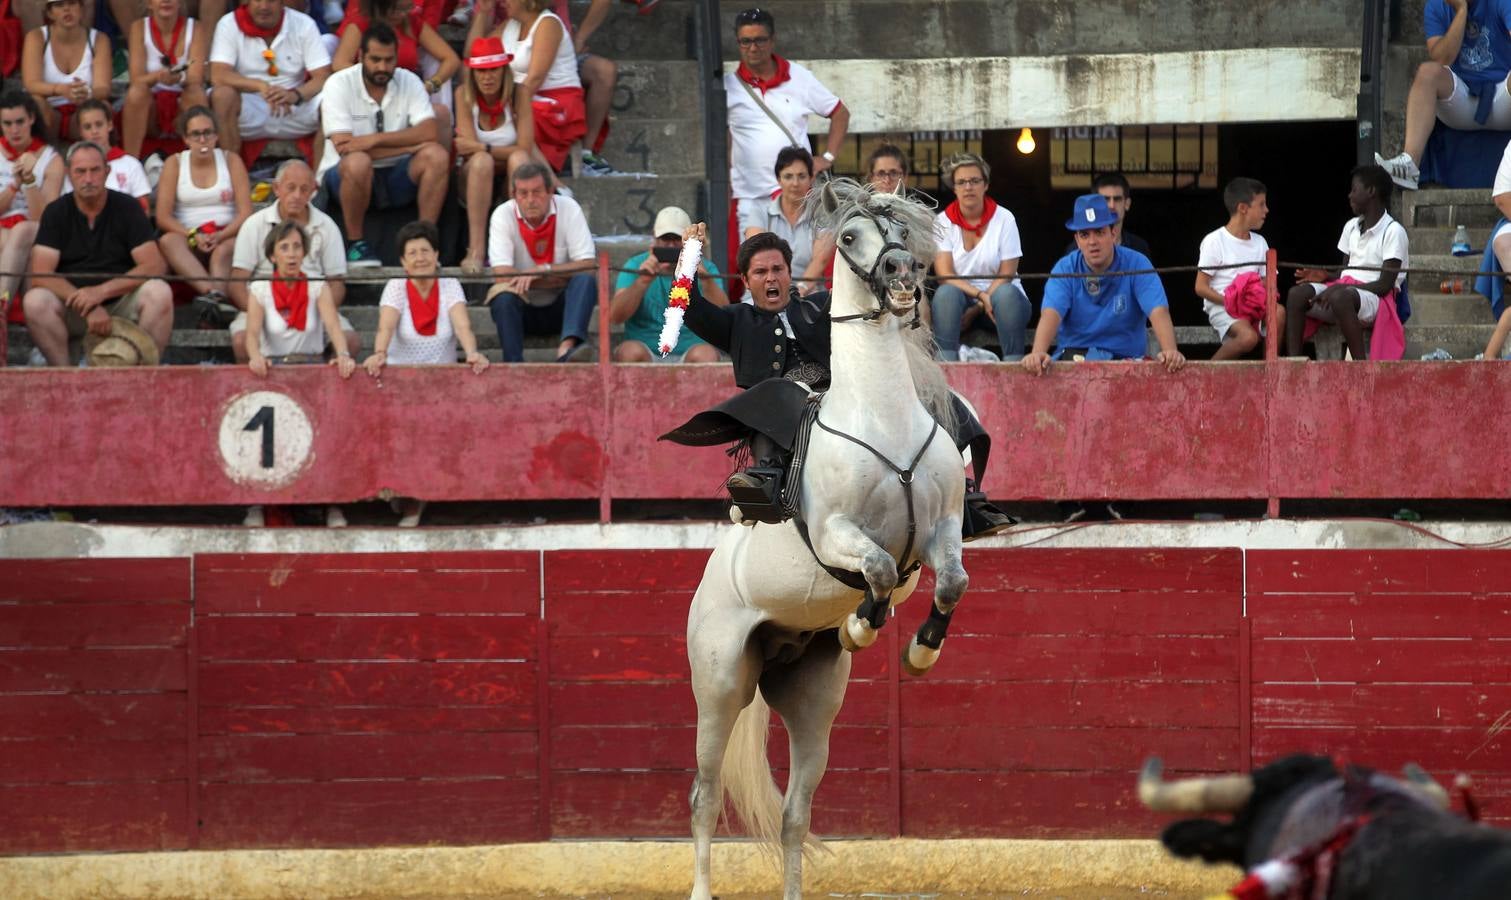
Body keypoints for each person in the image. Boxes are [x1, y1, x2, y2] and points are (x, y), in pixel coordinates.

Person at [679, 228, 1013, 540]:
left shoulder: (820, 304)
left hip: (846, 393)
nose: (771, 278)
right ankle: (766, 481)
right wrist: (690, 255)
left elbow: (865, 294)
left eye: (777, 269)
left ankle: (965, 498)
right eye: (761, 272)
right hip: (783, 414)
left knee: (927, 392)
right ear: (745, 281)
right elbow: (689, 309)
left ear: (788, 273)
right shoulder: (735, 321)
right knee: (771, 393)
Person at [362, 220, 489, 527]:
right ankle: (403, 492)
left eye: (425, 251)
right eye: (412, 253)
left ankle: (415, 503)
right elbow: (386, 327)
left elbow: (462, 326)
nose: (419, 258)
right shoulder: (395, 287)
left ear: (437, 255)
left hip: (440, 385)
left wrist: (471, 352)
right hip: (399, 384)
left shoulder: (450, 286)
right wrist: (379, 353)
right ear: (403, 262)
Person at [725, 6, 848, 289]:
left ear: (772, 40)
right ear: (738, 43)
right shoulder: (728, 86)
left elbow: (840, 112)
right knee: (754, 273)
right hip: (751, 195)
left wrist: (827, 157)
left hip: (799, 195)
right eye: (746, 41)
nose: (753, 47)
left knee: (806, 268)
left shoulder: (799, 77)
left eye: (759, 40)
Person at [243, 219, 355, 529]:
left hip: (311, 370)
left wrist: (342, 354)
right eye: (284, 248)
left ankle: (332, 504)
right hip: (274, 372)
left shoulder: (317, 285)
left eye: (297, 247)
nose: (292, 254)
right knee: (267, 445)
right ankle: (257, 502)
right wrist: (255, 357)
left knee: (325, 439)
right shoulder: (261, 288)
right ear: (272, 256)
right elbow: (251, 333)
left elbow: (333, 325)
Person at [21, 141, 173, 366]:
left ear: (107, 171)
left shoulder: (127, 207)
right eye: (80, 172)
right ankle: (63, 375)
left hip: (121, 301)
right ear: (68, 174)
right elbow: (42, 273)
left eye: (95, 170)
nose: (88, 179)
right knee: (35, 301)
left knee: (159, 292)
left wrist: (100, 292)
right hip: (73, 306)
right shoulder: (56, 212)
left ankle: (146, 371)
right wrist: (89, 305)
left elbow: (153, 265)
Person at [318, 22, 449, 268]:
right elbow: (345, 148)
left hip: (397, 174)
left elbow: (430, 132)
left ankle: (424, 240)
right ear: (360, 56)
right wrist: (409, 145)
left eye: (389, 60)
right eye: (375, 59)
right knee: (358, 162)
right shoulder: (338, 84)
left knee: (436, 155)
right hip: (345, 176)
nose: (382, 67)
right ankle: (356, 244)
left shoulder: (409, 80)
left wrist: (373, 140)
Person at [1023, 193, 1185, 373]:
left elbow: (1158, 310)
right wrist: (1037, 353)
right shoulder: (1064, 268)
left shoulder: (1138, 263)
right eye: (1084, 235)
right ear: (1077, 240)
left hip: (1128, 363)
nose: (1092, 242)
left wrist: (1170, 351)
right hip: (1074, 362)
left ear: (1113, 233)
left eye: (1099, 232)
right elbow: (1051, 314)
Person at [1376, 0, 1511, 191]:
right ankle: (1410, 164)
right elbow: (1443, 59)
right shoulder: (1436, 6)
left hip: (1503, 96)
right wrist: (1461, 11)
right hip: (1462, 98)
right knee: (1428, 72)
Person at [228, 159, 351, 362]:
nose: (297, 196)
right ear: (276, 189)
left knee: (350, 341)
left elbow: (336, 282)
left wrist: (319, 310)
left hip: (315, 300)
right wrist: (264, 311)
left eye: (304, 190)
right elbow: (238, 282)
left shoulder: (327, 226)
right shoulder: (254, 224)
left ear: (313, 191)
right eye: (290, 188)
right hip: (263, 300)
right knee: (242, 342)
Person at [1285, 165, 1408, 361]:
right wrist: (1327, 276)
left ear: (1371, 191)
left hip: (1376, 298)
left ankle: (1359, 367)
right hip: (1346, 292)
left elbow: (1385, 285)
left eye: (1354, 189)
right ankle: (1294, 364)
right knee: (1296, 294)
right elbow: (1345, 272)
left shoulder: (1393, 231)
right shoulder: (1351, 226)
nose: (1350, 195)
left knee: (1341, 297)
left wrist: (1340, 288)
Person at [485, 160, 597, 362]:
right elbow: (501, 275)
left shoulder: (569, 208)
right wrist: (557, 277)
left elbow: (589, 265)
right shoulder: (502, 215)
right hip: (522, 308)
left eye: (537, 192)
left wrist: (543, 270)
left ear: (551, 191)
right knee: (503, 298)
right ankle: (513, 365)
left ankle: (567, 351)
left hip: (561, 311)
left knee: (584, 282)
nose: (530, 200)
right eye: (523, 193)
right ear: (514, 196)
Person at [930, 151, 1032, 362]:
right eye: (962, 182)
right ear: (954, 187)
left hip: (1000, 304)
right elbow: (945, 275)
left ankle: (1014, 368)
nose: (968, 187)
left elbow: (1007, 273)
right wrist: (980, 296)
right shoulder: (942, 222)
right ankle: (946, 372)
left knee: (1005, 294)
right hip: (961, 301)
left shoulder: (1004, 218)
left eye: (975, 181)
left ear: (985, 185)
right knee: (945, 293)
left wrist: (980, 306)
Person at [466, 0, 585, 175]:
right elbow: (475, 54)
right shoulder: (511, 24)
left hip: (554, 100)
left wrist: (504, 109)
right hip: (518, 96)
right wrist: (483, 13)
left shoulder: (548, 23)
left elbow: (535, 78)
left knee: (512, 121)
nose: (502, 2)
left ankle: (531, 175)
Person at [329, 0, 460, 148]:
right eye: (397, 10)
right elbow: (339, 63)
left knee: (441, 113)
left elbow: (451, 59)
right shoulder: (360, 23)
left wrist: (432, 84)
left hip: (406, 94)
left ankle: (443, 165)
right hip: (370, 94)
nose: (402, 14)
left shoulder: (412, 23)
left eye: (407, 9)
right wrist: (374, 77)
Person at [155, 106, 252, 306]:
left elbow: (245, 213)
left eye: (207, 133)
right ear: (186, 139)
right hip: (188, 234)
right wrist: (192, 235)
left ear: (216, 135)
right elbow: (163, 217)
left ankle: (213, 303)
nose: (202, 140)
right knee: (168, 241)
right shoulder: (175, 164)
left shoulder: (231, 160)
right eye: (196, 134)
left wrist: (220, 236)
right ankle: (214, 295)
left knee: (222, 252)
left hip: (226, 233)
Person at [208, 0, 331, 156]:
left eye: (271, 0)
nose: (264, 6)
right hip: (250, 105)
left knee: (334, 97)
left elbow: (323, 76)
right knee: (222, 95)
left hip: (294, 105)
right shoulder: (228, 24)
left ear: (282, 3)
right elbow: (218, 74)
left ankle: (319, 177)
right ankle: (231, 172)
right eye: (258, 0)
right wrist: (260, 85)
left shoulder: (304, 24)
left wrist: (296, 94)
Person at [455, 36, 534, 274]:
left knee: (519, 161)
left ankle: (516, 248)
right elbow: (468, 152)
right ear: (472, 74)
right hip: (474, 176)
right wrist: (485, 152)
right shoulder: (463, 95)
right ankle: (476, 250)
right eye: (481, 71)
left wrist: (485, 148)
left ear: (504, 71)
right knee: (481, 162)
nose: (487, 77)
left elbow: (525, 149)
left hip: (509, 173)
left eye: (493, 70)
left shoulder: (519, 93)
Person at [611, 205, 726, 363]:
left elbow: (724, 318)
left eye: (677, 239)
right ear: (655, 239)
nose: (671, 246)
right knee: (629, 352)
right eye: (666, 239)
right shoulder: (636, 265)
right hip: (646, 350)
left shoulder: (706, 268)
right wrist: (642, 282)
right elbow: (615, 317)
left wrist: (706, 280)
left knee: (706, 355)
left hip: (692, 351)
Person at [1196, 177, 1282, 361]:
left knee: (1279, 312)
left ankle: (1270, 368)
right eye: (1261, 205)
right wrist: (1232, 301)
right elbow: (1200, 287)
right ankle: (1208, 373)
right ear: (1243, 208)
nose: (1266, 210)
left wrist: (1255, 293)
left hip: (1253, 305)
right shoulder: (1214, 240)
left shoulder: (1260, 242)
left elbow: (1269, 282)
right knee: (1248, 337)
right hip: (1224, 306)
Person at [804, 143, 913, 283]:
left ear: (905, 177)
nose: (887, 180)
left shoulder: (918, 218)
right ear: (870, 178)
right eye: (881, 173)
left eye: (893, 173)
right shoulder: (855, 217)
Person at [0, 92, 64, 325]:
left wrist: (29, 180)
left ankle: (2, 305)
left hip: (34, 229)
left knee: (24, 231)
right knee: (17, 239)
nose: (14, 130)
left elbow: (46, 216)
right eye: (7, 123)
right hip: (4, 229)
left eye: (19, 122)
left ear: (31, 120)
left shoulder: (51, 159)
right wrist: (15, 185)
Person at [122, 0, 210, 159]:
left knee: (196, 92)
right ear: (149, 3)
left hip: (182, 106)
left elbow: (196, 78)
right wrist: (158, 77)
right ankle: (131, 162)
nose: (166, 1)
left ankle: (199, 160)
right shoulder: (139, 27)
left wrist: (179, 78)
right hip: (150, 109)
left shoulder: (195, 27)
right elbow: (136, 79)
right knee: (136, 92)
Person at [21, 0, 112, 142]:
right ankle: (41, 154)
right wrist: (60, 89)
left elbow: (103, 88)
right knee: (36, 101)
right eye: (59, 5)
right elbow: (31, 83)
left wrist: (87, 93)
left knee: (103, 105)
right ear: (50, 13)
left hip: (82, 110)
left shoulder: (99, 39)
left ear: (81, 8)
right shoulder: (36, 37)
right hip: (50, 111)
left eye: (72, 3)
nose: (67, 9)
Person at [741, 146, 818, 284]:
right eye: (788, 176)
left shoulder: (820, 214)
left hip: (808, 295)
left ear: (811, 178)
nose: (795, 183)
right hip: (764, 290)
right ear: (778, 179)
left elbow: (820, 261)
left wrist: (799, 292)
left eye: (802, 176)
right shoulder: (759, 211)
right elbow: (755, 254)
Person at [63, 100, 151, 213]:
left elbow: (144, 209)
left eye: (99, 124)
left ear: (109, 125)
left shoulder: (130, 164)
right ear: (80, 131)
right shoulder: (75, 167)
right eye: (87, 127)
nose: (94, 131)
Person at [1065, 172, 1154, 259]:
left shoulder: (1139, 247)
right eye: (1105, 199)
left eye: (1117, 199)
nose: (1112, 205)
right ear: (1093, 203)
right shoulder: (1074, 251)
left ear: (1127, 203)